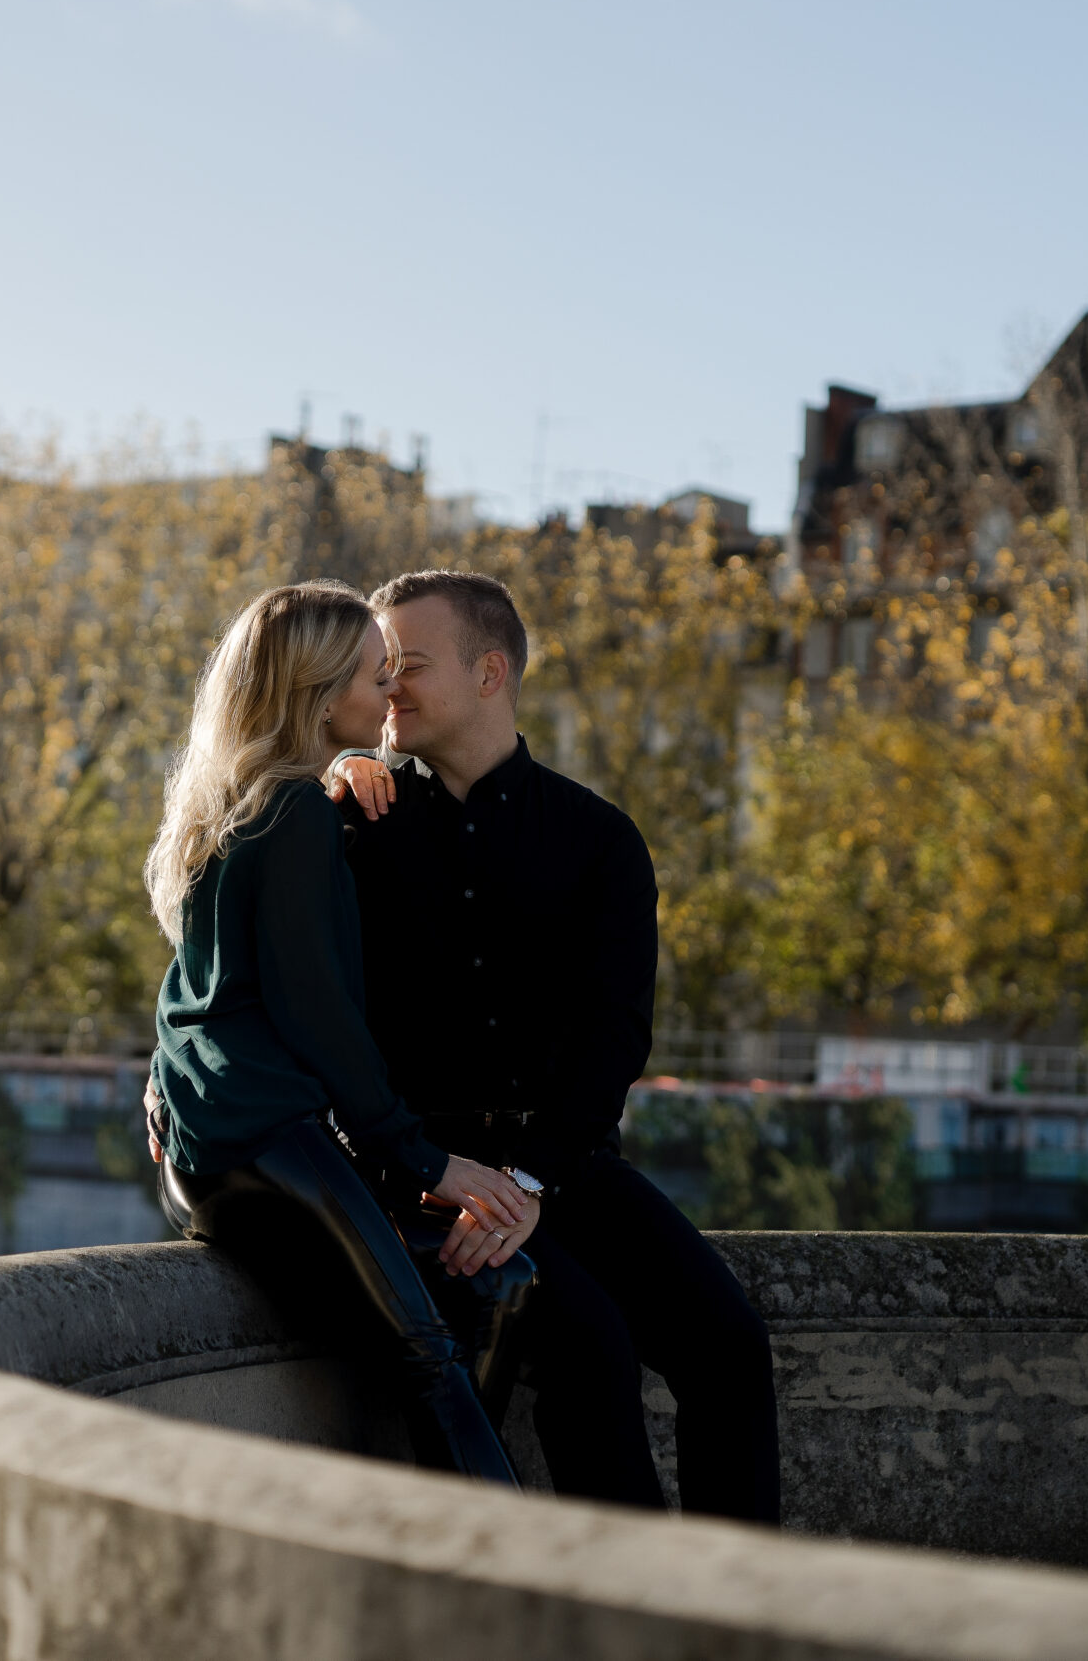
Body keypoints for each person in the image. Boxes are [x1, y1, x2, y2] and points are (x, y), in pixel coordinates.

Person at [325, 570, 782, 1522]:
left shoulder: (600, 839)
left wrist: (529, 1182)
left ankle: (739, 1610)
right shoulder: (350, 824)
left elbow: (614, 1036)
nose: (384, 687)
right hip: (418, 1171)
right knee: (589, 1348)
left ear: (491, 672)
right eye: (376, 668)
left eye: (404, 665)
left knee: (728, 1340)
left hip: (559, 1163)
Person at [144, 581, 534, 1485]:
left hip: (219, 1154)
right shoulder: (291, 816)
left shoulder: (239, 806)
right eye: (375, 672)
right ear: (321, 697)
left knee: (501, 1283)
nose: (390, 689)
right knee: (433, 1353)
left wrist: (161, 1081)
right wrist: (427, 1160)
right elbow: (315, 1013)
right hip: (268, 1145)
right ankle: (501, 1579)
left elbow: (200, 991)